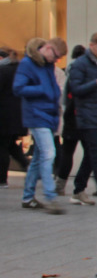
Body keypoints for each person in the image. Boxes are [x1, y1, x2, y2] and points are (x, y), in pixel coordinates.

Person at [12, 38, 64, 213]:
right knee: (49, 154)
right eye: (56, 56)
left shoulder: (46, 64)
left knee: (38, 158)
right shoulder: (28, 64)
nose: (56, 60)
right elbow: (18, 88)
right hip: (36, 115)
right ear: (48, 48)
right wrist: (42, 90)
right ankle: (50, 196)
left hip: (47, 114)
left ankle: (28, 197)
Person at [65, 31, 97, 205]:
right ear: (92, 45)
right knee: (95, 152)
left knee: (90, 153)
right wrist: (96, 82)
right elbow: (76, 89)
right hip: (86, 114)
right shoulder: (80, 64)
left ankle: (79, 190)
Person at [53, 43, 82, 195]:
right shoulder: (74, 73)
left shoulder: (68, 71)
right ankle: (75, 186)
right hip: (79, 117)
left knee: (67, 151)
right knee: (90, 153)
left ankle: (60, 184)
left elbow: (65, 98)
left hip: (71, 117)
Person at [0, 46, 29, 188]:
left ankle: (2, 179)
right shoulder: (20, 70)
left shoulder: (2, 71)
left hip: (4, 116)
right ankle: (26, 165)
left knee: (3, 146)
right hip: (19, 114)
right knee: (11, 144)